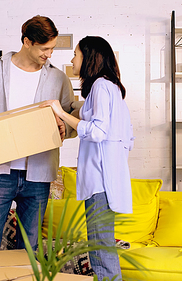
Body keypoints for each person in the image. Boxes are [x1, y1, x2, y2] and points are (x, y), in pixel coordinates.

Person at [0, 15, 75, 252]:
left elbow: (70, 115)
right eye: (45, 48)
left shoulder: (58, 78)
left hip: (38, 176)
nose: (49, 55)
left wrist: (67, 127)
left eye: (52, 49)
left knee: (29, 249)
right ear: (27, 41)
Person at [41, 36, 133, 281]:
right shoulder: (108, 88)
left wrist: (60, 112)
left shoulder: (102, 87)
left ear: (89, 58)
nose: (72, 59)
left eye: (75, 54)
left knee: (100, 249)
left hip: (101, 182)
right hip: (104, 181)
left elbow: (97, 131)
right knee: (100, 246)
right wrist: (75, 109)